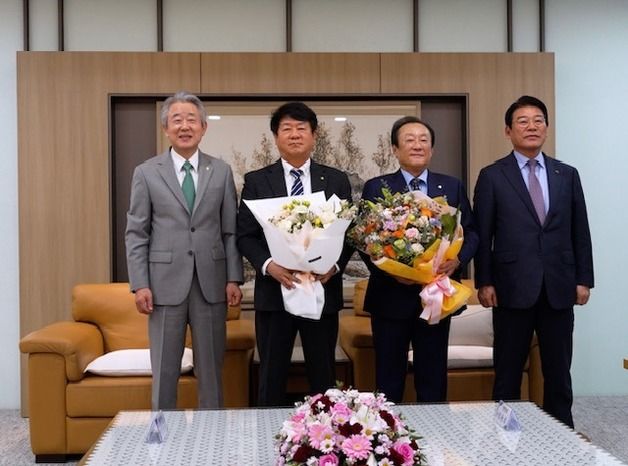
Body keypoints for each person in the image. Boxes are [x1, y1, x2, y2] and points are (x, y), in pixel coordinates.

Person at [473, 95, 594, 428]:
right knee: (508, 373)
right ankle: (505, 437)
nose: (532, 126)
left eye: (538, 120)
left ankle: (561, 437)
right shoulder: (493, 176)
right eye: (523, 121)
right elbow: (483, 234)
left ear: (547, 127)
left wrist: (584, 278)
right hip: (511, 288)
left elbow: (579, 229)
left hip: (559, 287)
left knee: (559, 373)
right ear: (508, 130)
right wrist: (484, 281)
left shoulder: (566, 174)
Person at [125, 91, 243, 410]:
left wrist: (234, 277)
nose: (185, 125)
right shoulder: (147, 172)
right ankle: (161, 443)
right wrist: (140, 284)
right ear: (166, 129)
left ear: (204, 127)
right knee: (164, 372)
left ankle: (212, 444)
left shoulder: (220, 171)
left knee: (211, 373)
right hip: (162, 285)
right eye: (177, 120)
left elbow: (229, 229)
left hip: (211, 283)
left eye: (192, 119)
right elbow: (136, 232)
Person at [236, 102, 353, 407]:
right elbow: (246, 235)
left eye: (302, 128)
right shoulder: (257, 180)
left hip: (322, 289)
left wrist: (335, 266)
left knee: (323, 376)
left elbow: (349, 231)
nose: (294, 135)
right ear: (276, 137)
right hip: (276, 292)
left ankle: (326, 446)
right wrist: (269, 265)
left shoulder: (337, 179)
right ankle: (267, 443)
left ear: (314, 136)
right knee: (271, 375)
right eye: (286, 129)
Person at [360, 116, 478, 403]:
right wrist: (393, 272)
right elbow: (365, 240)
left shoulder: (451, 185)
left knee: (433, 375)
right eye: (409, 140)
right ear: (395, 149)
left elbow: (472, 231)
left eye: (423, 140)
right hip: (390, 297)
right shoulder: (376, 187)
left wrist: (457, 260)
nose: (417, 145)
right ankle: (388, 441)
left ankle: (436, 441)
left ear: (432, 149)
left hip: (437, 296)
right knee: (388, 377)